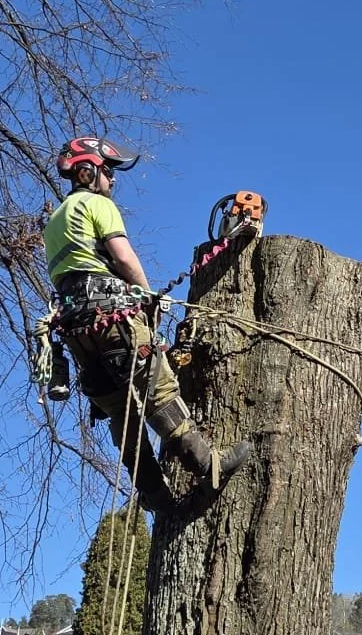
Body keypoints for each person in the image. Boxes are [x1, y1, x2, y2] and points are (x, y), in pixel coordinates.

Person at [44, 135, 252, 515]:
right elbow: (123, 258)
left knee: (121, 414)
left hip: (77, 334)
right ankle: (209, 466)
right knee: (158, 391)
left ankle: (157, 498)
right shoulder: (96, 204)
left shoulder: (54, 222)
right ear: (88, 171)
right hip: (113, 320)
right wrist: (147, 295)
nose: (112, 181)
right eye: (107, 172)